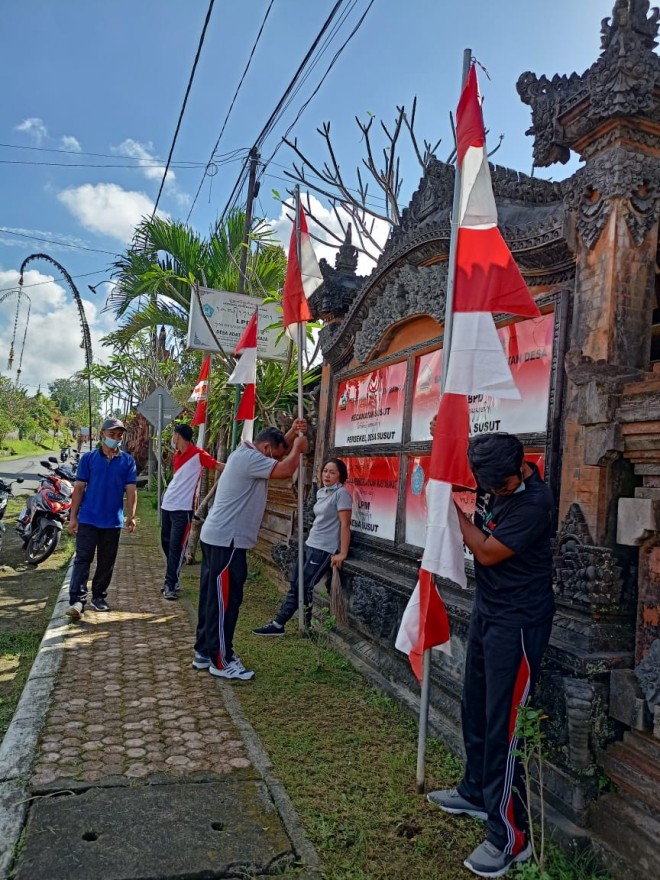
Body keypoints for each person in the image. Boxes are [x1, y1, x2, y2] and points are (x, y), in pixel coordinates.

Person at [427, 432, 555, 879]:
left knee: (504, 727)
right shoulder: (491, 474)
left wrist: (450, 512)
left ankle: (510, 837)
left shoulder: (533, 504)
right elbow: (448, 443)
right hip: (488, 613)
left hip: (518, 624)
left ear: (519, 469)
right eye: (489, 487)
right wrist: (441, 441)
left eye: (499, 488)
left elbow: (485, 550)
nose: (494, 494)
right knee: (475, 708)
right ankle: (476, 792)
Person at [192, 420, 309, 681]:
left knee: (213, 600)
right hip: (228, 542)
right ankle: (221, 661)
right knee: (226, 603)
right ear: (266, 448)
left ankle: (204, 652)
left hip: (220, 538)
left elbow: (278, 450)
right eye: (276, 452)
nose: (277, 456)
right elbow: (285, 468)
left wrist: (291, 434)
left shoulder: (247, 452)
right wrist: (298, 449)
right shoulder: (250, 459)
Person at [252, 457, 352, 637]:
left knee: (302, 585)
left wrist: (342, 553)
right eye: (325, 471)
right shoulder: (322, 492)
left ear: (340, 476)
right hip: (310, 544)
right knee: (296, 583)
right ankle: (305, 628)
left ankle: (279, 623)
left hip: (324, 549)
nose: (327, 475)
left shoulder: (341, 494)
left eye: (332, 472)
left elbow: (345, 525)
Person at [65, 418, 138, 619]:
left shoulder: (128, 461)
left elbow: (131, 491)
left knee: (106, 562)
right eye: (112, 434)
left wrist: (131, 516)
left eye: (119, 435)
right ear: (102, 435)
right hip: (88, 518)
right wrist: (73, 517)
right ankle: (77, 601)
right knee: (83, 560)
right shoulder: (88, 459)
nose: (116, 438)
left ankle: (98, 597)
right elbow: (79, 489)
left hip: (112, 521)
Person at [160, 423, 224, 600]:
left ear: (178, 436)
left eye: (173, 435)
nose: (172, 439)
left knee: (176, 546)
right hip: (167, 505)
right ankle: (173, 577)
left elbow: (218, 466)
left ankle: (170, 584)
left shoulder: (199, 454)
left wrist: (239, 467)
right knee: (165, 543)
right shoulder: (176, 456)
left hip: (184, 509)